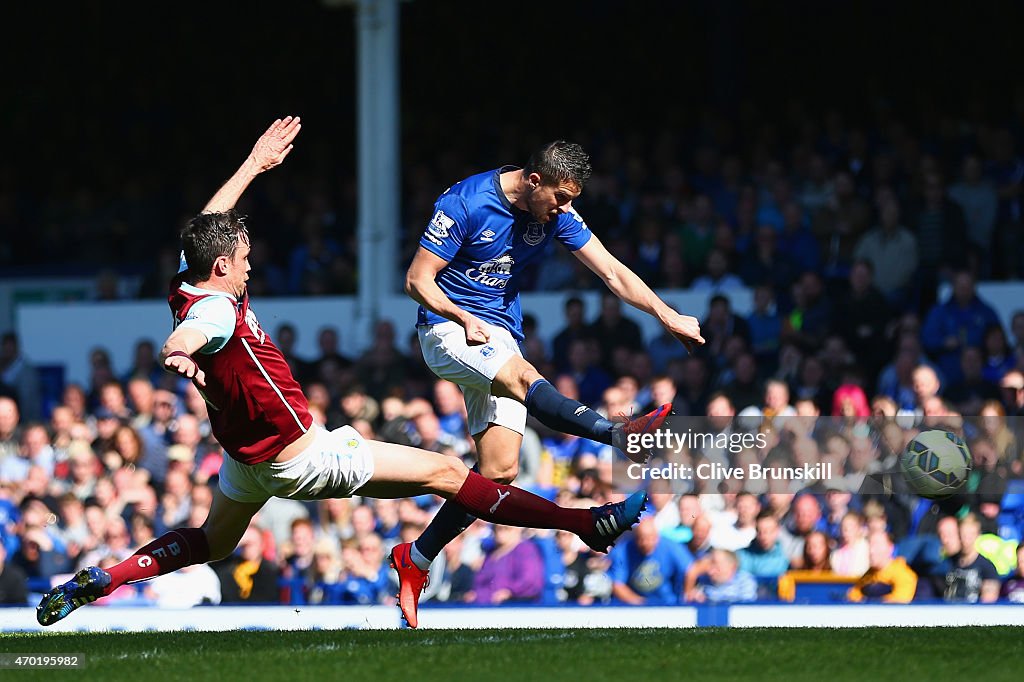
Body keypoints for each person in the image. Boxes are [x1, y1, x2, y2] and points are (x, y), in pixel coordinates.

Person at [36, 117, 647, 629]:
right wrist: (181, 349)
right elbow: (197, 331)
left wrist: (252, 164)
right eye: (244, 260)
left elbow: (206, 224)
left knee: (214, 542)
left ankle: (107, 577)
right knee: (448, 473)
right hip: (300, 456)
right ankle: (584, 522)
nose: (250, 268)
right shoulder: (214, 311)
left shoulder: (187, 280)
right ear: (223, 266)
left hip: (244, 461)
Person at [397, 139, 704, 624]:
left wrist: (667, 315)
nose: (565, 209)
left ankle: (415, 559)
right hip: (447, 328)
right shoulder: (467, 204)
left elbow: (612, 272)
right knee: (523, 376)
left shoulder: (554, 212)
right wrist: (460, 315)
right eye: (560, 198)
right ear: (533, 181)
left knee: (497, 474)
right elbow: (417, 279)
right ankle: (616, 433)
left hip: (498, 333)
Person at [846, 530, 918, 604]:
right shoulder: (869, 575)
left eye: (877, 546)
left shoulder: (904, 575)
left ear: (890, 548)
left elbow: (899, 605)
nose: (871, 551)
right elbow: (852, 597)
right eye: (870, 545)